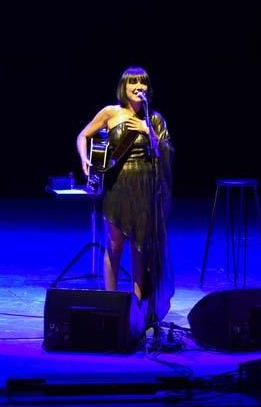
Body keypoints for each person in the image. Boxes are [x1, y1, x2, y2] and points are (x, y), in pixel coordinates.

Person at [75, 66, 174, 331]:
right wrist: (85, 160)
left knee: (141, 248)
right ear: (124, 86)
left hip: (146, 189)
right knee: (115, 245)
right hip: (117, 187)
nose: (137, 86)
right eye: (133, 82)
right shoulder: (111, 112)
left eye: (142, 83)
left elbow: (165, 154)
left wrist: (146, 129)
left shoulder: (154, 120)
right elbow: (83, 135)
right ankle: (111, 301)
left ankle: (140, 308)